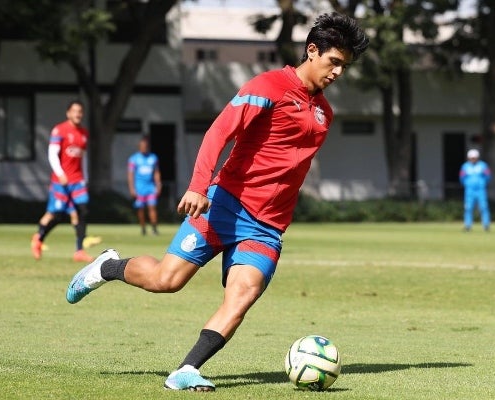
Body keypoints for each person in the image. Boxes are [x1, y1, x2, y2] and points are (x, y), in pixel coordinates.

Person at [66, 13, 369, 391]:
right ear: (312, 50)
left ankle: (186, 370)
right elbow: (218, 132)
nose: (338, 72)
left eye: (345, 66)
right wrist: (198, 186)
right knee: (166, 280)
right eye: (334, 62)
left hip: (267, 227)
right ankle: (109, 267)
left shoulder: (325, 112)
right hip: (223, 205)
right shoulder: (268, 86)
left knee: (242, 296)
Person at [31, 100, 94, 262]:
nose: (78, 114)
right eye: (75, 111)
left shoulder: (84, 133)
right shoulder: (60, 130)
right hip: (61, 181)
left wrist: (85, 177)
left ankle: (79, 250)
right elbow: (52, 154)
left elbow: (83, 158)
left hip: (77, 180)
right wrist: (60, 173)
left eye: (80, 111)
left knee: (83, 210)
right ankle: (38, 238)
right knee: (57, 215)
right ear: (68, 113)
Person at [127, 135, 162, 235]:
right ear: (139, 147)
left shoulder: (153, 158)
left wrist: (158, 184)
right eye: (142, 146)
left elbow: (156, 172)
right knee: (141, 209)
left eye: (146, 146)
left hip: (150, 187)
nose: (144, 148)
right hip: (139, 188)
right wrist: (132, 188)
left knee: (152, 207)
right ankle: (143, 228)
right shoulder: (133, 159)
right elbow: (130, 175)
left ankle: (154, 228)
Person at [459, 148, 491, 231]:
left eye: (474, 158)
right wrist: (467, 184)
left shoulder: (483, 165)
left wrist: (482, 183)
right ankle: (468, 225)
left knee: (484, 207)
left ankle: (486, 225)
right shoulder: (465, 166)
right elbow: (462, 177)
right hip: (469, 190)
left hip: (481, 190)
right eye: (471, 158)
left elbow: (488, 176)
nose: (473, 159)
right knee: (468, 207)